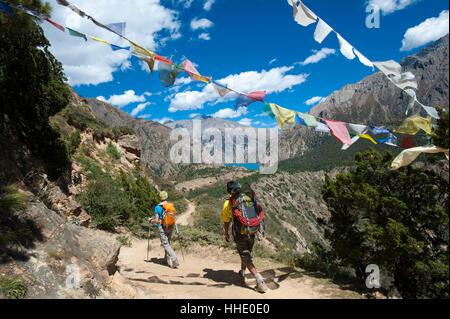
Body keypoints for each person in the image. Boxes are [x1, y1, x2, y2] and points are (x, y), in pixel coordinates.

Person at [221, 181, 268, 293]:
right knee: (246, 254)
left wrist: (226, 233)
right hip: (252, 230)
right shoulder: (247, 198)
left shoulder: (229, 203)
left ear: (228, 191)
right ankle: (242, 273)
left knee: (245, 255)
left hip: (240, 232)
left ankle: (259, 281)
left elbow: (226, 221)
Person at [148, 191, 179, 269]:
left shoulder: (157, 207)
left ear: (160, 197)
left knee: (165, 244)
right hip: (170, 226)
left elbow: (157, 220)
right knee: (168, 242)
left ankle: (174, 260)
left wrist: (151, 220)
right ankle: (166, 259)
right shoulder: (171, 206)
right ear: (166, 197)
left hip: (162, 227)